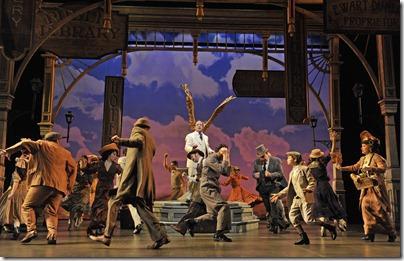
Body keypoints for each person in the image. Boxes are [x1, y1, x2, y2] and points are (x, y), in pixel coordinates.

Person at [89, 117, 169, 249]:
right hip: (142, 179)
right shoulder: (151, 140)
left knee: (114, 201)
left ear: (137, 126)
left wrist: (120, 141)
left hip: (133, 179)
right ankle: (161, 236)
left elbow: (137, 141)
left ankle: (107, 236)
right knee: (143, 209)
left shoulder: (139, 132)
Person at [0, 132, 77, 245]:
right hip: (60, 186)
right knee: (51, 211)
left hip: (43, 182)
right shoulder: (66, 152)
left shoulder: (41, 144)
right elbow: (73, 169)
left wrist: (8, 151)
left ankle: (31, 230)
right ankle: (52, 235)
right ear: (57, 140)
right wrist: (69, 186)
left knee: (27, 206)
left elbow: (25, 142)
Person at [336, 130, 396, 242]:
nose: (361, 148)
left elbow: (383, 168)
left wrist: (371, 168)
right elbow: (355, 167)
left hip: (375, 188)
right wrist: (341, 168)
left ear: (370, 147)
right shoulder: (363, 159)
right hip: (366, 189)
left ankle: (391, 232)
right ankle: (369, 233)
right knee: (365, 208)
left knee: (379, 211)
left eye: (363, 146)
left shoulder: (376, 157)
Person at [271, 151, 337, 245]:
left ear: (294, 159)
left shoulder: (304, 169)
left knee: (309, 220)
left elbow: (312, 181)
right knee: (292, 217)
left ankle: (330, 227)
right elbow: (290, 187)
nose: (287, 159)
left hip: (305, 198)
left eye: (289, 157)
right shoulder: (292, 172)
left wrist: (309, 189)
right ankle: (304, 237)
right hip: (297, 199)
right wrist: (279, 195)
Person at [183, 144, 232, 242]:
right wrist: (225, 156)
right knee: (223, 206)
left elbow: (226, 172)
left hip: (210, 187)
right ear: (219, 150)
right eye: (224, 150)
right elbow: (222, 169)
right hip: (208, 187)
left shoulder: (219, 160)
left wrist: (227, 157)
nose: (226, 152)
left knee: (212, 215)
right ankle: (219, 234)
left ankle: (192, 222)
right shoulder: (211, 158)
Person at [307, 134, 347, 237]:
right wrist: (333, 140)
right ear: (319, 157)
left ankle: (323, 227)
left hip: (317, 187)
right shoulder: (321, 163)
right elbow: (331, 153)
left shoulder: (310, 166)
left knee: (320, 207)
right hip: (325, 186)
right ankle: (339, 223)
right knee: (332, 203)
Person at [86, 143, 122, 236]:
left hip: (109, 189)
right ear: (108, 154)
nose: (115, 156)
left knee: (106, 208)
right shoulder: (99, 164)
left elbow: (124, 175)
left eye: (116, 154)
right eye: (113, 154)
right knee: (97, 207)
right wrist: (86, 162)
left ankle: (102, 227)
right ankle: (95, 227)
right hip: (100, 188)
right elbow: (88, 170)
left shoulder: (116, 166)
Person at [253, 144, 289, 233]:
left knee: (274, 206)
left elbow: (280, 174)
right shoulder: (257, 162)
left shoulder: (276, 161)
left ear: (267, 153)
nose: (261, 159)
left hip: (274, 186)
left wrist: (270, 175)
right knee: (268, 208)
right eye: (260, 157)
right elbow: (253, 173)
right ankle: (279, 223)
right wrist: (255, 175)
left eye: (263, 156)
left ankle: (275, 225)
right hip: (263, 187)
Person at [172, 148, 206, 236]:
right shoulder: (199, 164)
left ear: (196, 154)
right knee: (196, 211)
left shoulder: (204, 162)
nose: (192, 159)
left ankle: (181, 227)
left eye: (192, 157)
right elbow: (198, 179)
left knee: (193, 210)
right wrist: (187, 177)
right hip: (201, 191)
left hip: (202, 191)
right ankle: (189, 227)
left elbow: (205, 177)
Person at [0, 149, 31, 240]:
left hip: (18, 189)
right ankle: (24, 229)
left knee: (13, 210)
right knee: (21, 210)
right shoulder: (31, 160)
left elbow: (17, 179)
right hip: (26, 188)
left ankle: (17, 228)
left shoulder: (21, 161)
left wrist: (12, 193)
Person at [61, 155, 94, 231]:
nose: (83, 162)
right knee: (73, 207)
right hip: (76, 190)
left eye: (85, 161)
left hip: (84, 191)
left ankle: (78, 218)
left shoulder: (88, 170)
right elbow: (70, 178)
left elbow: (90, 181)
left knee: (80, 208)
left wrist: (88, 183)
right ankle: (71, 222)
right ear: (79, 162)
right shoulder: (75, 169)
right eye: (81, 161)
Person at [184, 120, 213, 201]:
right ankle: (189, 194)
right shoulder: (190, 136)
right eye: (197, 124)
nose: (199, 126)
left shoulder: (205, 137)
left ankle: (200, 195)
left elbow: (207, 147)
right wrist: (192, 149)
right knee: (192, 177)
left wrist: (210, 151)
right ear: (195, 126)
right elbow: (186, 147)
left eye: (201, 125)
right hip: (193, 160)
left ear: (203, 126)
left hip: (202, 160)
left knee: (201, 178)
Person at [117, 151, 143, 235]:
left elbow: (121, 174)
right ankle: (138, 223)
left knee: (113, 204)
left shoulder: (122, 160)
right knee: (133, 206)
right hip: (132, 186)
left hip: (126, 186)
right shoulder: (136, 161)